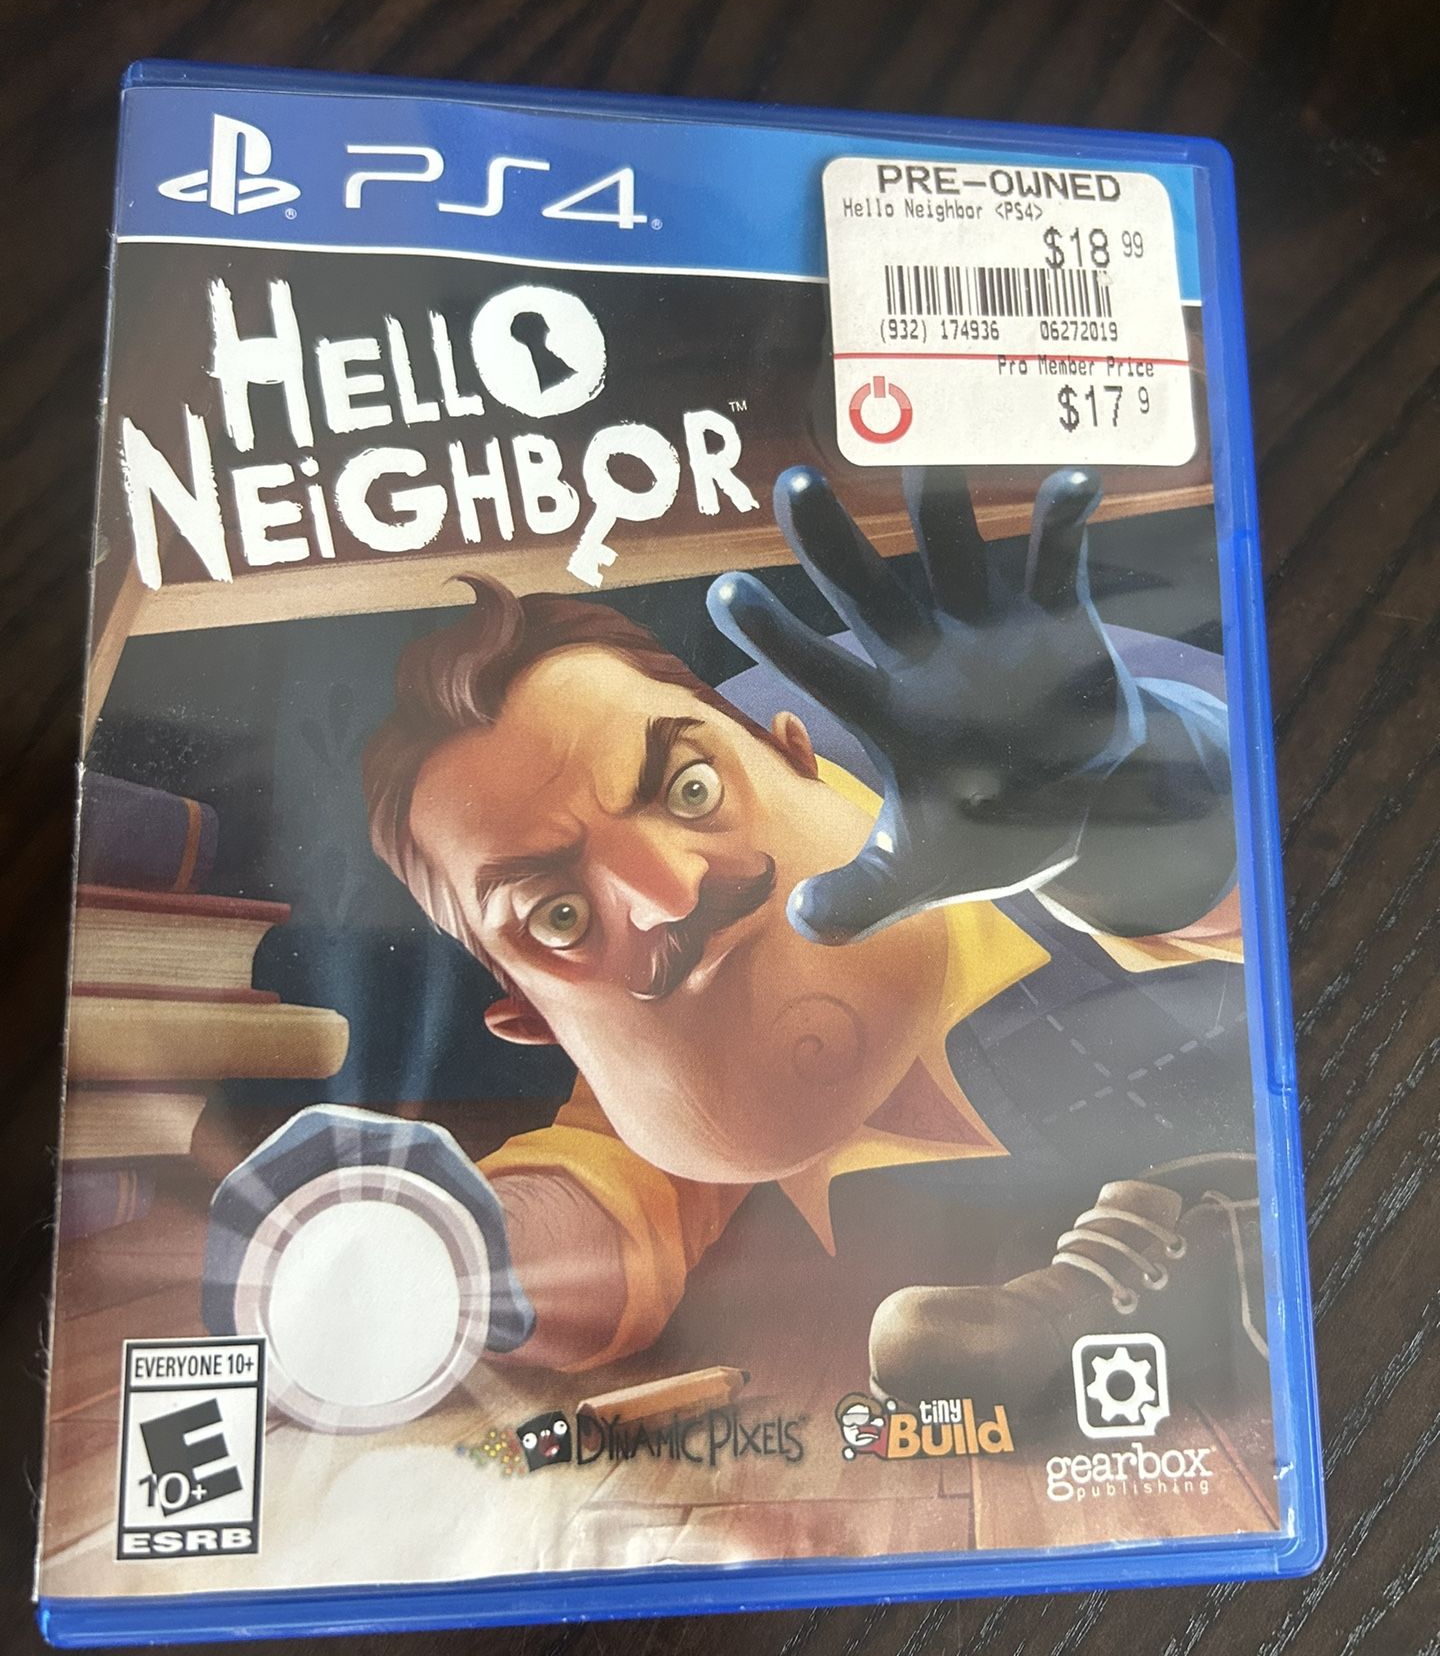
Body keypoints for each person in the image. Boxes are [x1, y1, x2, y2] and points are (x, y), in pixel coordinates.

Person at [206, 466, 1267, 1416]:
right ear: (533, 1020)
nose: (667, 894)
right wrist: (440, 1243)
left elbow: (1256, 874)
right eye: (561, 916)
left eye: (690, 790)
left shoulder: (976, 734)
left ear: (793, 750)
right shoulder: (683, 1075)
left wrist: (1129, 816)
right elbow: (610, 1218)